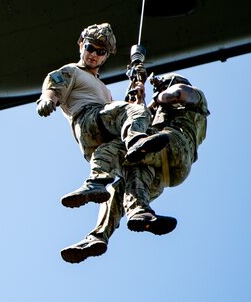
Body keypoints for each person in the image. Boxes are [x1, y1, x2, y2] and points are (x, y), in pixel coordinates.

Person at [60, 72, 210, 263]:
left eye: (161, 86)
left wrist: (156, 98)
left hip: (173, 145)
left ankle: (95, 181)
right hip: (166, 172)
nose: (159, 90)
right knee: (123, 186)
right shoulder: (158, 114)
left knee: (114, 147)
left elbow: (178, 94)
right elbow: (139, 119)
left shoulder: (194, 97)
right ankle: (104, 233)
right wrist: (139, 100)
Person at [36, 23, 169, 209]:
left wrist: (139, 96)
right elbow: (53, 86)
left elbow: (122, 114)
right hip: (87, 118)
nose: (94, 55)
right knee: (135, 114)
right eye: (90, 48)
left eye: (101, 52)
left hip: (96, 141)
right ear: (81, 44)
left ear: (106, 56)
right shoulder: (73, 71)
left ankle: (127, 203)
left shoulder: (104, 90)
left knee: (136, 165)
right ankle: (135, 140)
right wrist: (47, 100)